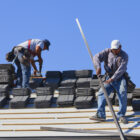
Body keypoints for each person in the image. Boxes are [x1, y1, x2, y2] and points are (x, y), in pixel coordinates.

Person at [90, 40, 128, 124]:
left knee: (122, 92)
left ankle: (121, 115)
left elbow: (121, 70)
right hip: (108, 77)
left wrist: (112, 79)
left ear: (120, 47)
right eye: (113, 49)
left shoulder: (124, 56)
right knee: (101, 93)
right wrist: (98, 67)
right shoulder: (107, 52)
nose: (114, 51)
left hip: (119, 78)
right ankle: (101, 115)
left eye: (116, 49)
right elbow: (96, 57)